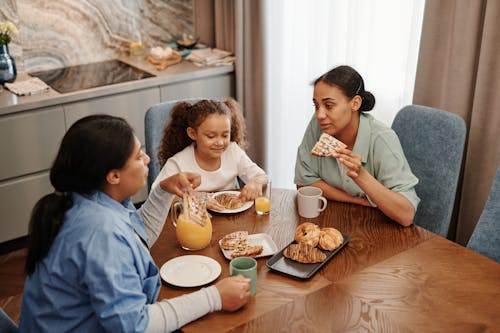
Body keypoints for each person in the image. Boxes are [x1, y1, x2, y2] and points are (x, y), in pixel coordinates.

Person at [19, 115, 250, 333]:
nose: (147, 159)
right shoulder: (100, 232)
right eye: (139, 156)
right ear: (114, 176)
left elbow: (136, 241)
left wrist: (162, 192)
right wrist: (214, 297)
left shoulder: (91, 199)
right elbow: (136, 326)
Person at [294, 65, 420, 226]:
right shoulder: (318, 126)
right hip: (332, 223)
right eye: (316, 105)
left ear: (355, 103)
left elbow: (406, 215)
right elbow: (304, 184)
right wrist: (357, 200)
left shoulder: (382, 139)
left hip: (378, 232)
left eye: (329, 105)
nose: (319, 114)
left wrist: (361, 176)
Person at [152, 98, 267, 208]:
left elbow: (262, 176)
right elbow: (156, 197)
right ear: (193, 133)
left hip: (231, 219)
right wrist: (193, 198)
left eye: (225, 135)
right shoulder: (178, 163)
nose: (220, 142)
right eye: (211, 136)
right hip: (196, 222)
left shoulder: (232, 151)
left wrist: (255, 182)